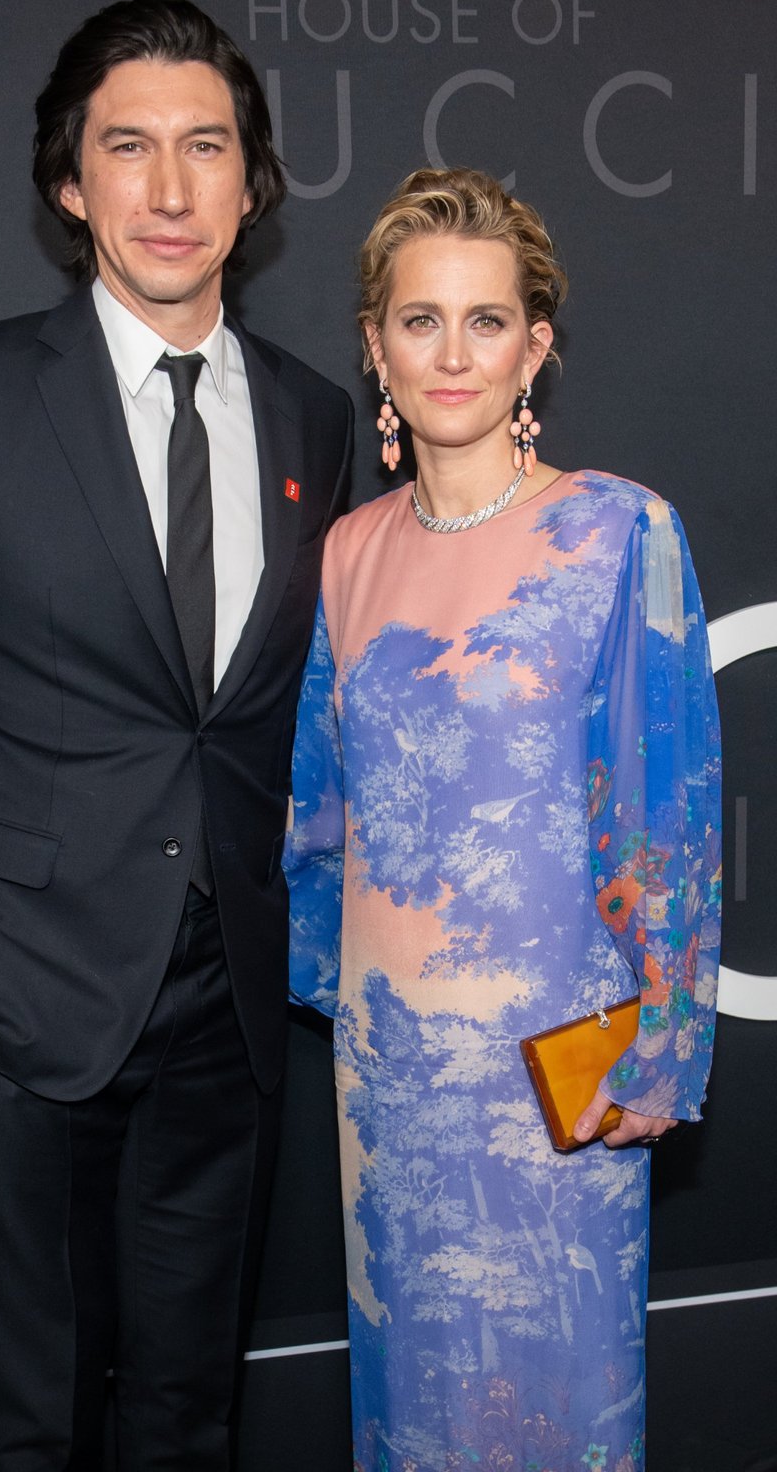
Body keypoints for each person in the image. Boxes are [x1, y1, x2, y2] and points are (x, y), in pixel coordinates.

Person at [0, 0, 352, 1471]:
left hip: (225, 1010)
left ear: (253, 187)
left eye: (207, 148)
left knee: (189, 1414)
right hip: (17, 995)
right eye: (130, 147)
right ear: (72, 182)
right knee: (31, 1426)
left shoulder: (315, 421)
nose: (171, 190)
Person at [284, 167, 721, 1472]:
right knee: (412, 1409)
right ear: (376, 346)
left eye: (487, 320)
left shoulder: (617, 531)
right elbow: (325, 802)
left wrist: (660, 1048)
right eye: (420, 320)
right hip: (393, 1071)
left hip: (561, 1063)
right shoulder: (351, 549)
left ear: (537, 346)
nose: (452, 352)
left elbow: (671, 812)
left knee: (552, 1405)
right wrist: (330, 981)